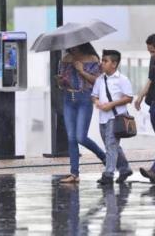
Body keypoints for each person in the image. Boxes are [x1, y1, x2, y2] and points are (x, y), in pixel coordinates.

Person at [58, 42, 107, 183]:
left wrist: (81, 70)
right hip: (68, 98)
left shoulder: (92, 58)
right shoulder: (66, 58)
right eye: (71, 47)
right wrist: (61, 81)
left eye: (76, 46)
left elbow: (97, 81)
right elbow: (62, 83)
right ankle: (74, 173)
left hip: (84, 98)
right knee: (71, 137)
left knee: (81, 137)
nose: (73, 48)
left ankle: (103, 157)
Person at [91, 50, 133, 185]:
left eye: (105, 61)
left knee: (111, 145)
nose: (102, 63)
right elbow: (94, 95)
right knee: (112, 145)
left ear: (114, 64)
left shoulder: (122, 79)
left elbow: (129, 97)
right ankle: (125, 168)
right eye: (102, 61)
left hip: (116, 117)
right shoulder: (99, 79)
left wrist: (111, 104)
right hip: (103, 117)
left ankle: (108, 174)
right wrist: (97, 102)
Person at [134, 34, 155, 183]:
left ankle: (153, 171)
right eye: (149, 51)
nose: (151, 55)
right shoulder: (153, 60)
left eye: (153, 51)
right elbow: (150, 79)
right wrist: (141, 95)